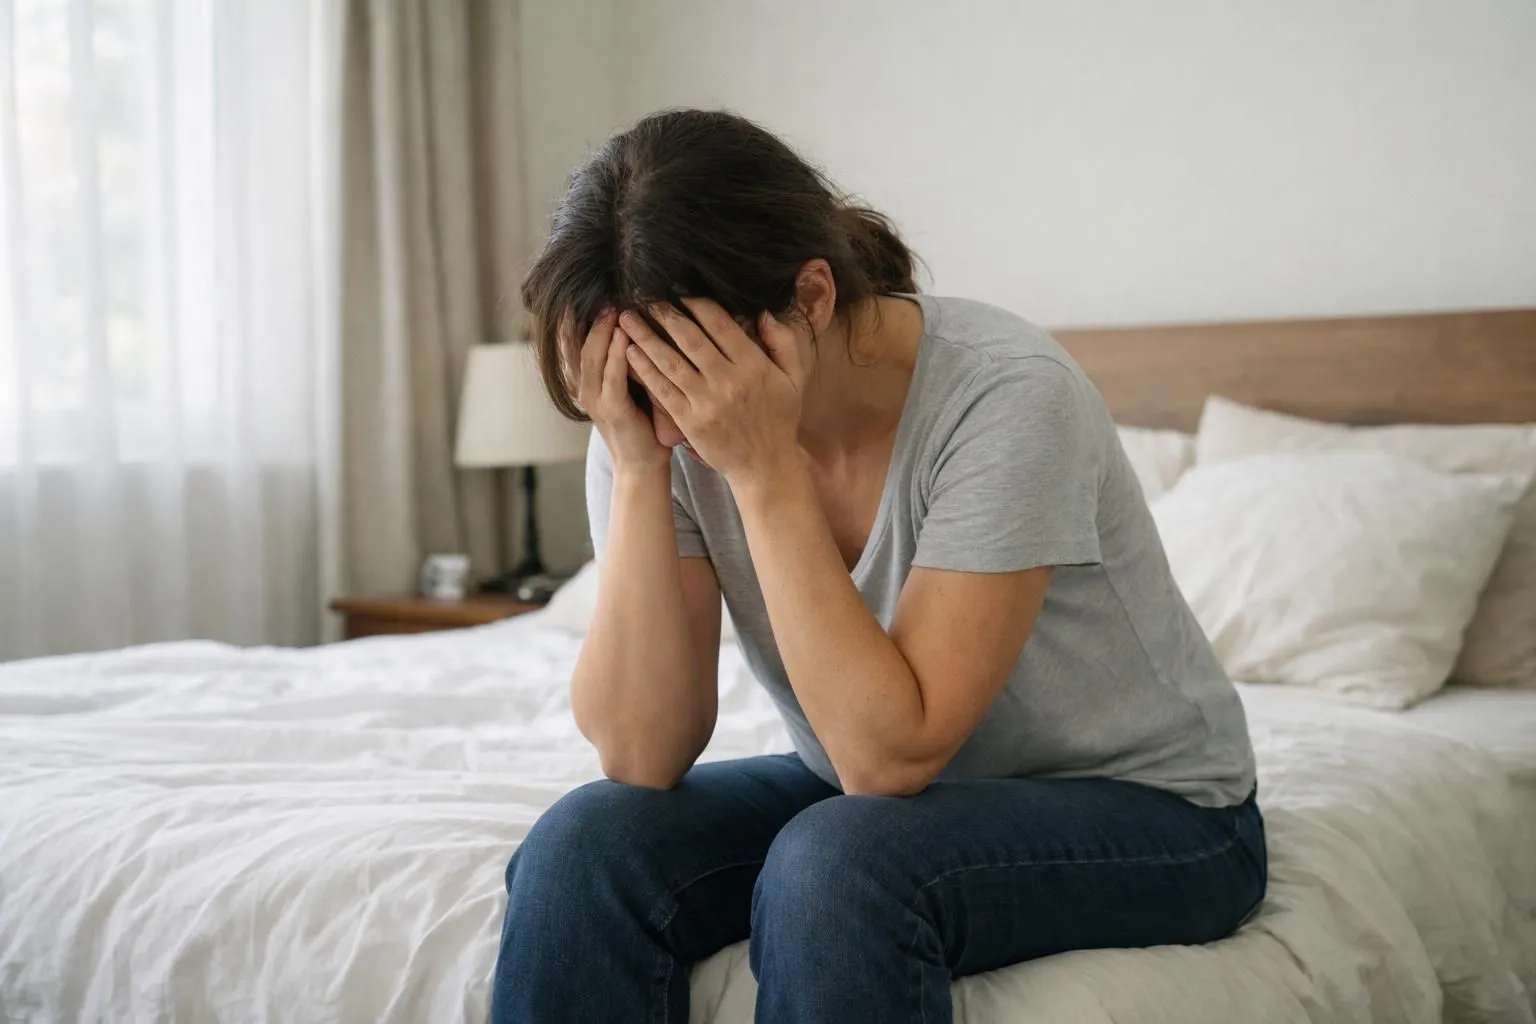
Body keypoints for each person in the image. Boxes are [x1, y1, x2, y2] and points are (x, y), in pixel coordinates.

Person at [490, 109, 1266, 1024]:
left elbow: (889, 757)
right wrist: (633, 468)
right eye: (636, 374)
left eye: (694, 366)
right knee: (584, 847)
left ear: (811, 298)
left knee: (838, 862)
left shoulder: (1008, 396)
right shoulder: (650, 417)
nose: (672, 410)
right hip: (879, 798)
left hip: (1157, 810)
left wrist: (765, 473)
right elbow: (641, 753)